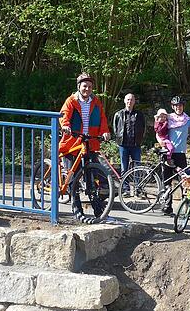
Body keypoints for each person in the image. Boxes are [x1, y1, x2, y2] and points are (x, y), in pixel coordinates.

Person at [59, 72, 111, 218]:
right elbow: (64, 116)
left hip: (90, 142)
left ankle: (98, 210)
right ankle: (77, 210)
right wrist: (66, 126)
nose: (87, 89)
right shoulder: (71, 101)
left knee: (91, 177)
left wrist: (105, 131)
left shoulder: (96, 102)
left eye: (89, 86)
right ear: (79, 87)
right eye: (84, 86)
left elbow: (102, 119)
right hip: (72, 142)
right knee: (73, 177)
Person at [161, 96, 190, 215]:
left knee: (184, 180)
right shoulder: (168, 118)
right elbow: (159, 131)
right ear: (173, 107)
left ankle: (185, 206)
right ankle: (167, 207)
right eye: (176, 106)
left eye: (180, 105)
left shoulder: (188, 120)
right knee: (167, 181)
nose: (179, 107)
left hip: (180, 154)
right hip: (168, 153)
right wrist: (161, 142)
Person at [111, 93, 146, 175]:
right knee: (124, 167)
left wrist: (140, 139)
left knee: (137, 167)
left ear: (134, 102)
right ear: (124, 101)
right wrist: (118, 138)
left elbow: (143, 127)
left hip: (136, 144)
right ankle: (125, 187)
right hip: (123, 144)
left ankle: (138, 186)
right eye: (128, 99)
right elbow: (115, 128)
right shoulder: (118, 114)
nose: (129, 101)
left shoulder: (139, 115)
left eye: (131, 100)